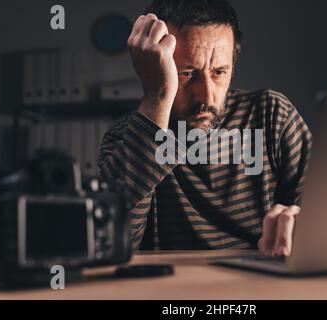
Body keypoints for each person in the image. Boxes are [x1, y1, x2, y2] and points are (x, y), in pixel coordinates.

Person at [98, 0, 312, 257]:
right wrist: (157, 98)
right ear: (156, 68)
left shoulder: (272, 115)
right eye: (187, 73)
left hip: (263, 286)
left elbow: (326, 217)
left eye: (219, 72)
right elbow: (111, 246)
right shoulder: (127, 137)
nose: (207, 98)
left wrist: (306, 221)